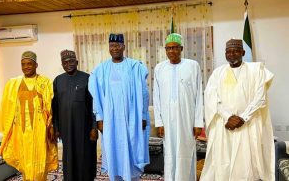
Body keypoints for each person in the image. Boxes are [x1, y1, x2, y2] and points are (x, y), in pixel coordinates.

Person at [200, 39, 275, 181]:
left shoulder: (256, 70)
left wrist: (243, 118)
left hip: (248, 125)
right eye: (228, 51)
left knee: (247, 163)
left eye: (235, 51)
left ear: (243, 52)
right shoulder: (218, 73)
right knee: (223, 163)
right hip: (225, 126)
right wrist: (228, 117)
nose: (232, 54)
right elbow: (212, 98)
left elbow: (260, 98)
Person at [89, 33, 150, 181]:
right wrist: (99, 118)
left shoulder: (135, 67)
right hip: (110, 120)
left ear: (123, 46)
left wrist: (142, 115)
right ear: (109, 48)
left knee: (132, 147)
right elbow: (96, 96)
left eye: (117, 45)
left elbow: (143, 93)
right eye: (112, 46)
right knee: (113, 149)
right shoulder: (100, 70)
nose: (114, 48)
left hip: (132, 118)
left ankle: (132, 177)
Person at [0, 51, 58, 181]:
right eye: (23, 64)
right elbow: (7, 108)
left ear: (36, 65)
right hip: (21, 129)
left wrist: (51, 125)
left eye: (29, 64)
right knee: (25, 160)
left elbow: (50, 106)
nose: (26, 67)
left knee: (40, 158)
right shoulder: (13, 84)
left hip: (39, 128)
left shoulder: (45, 82)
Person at [153, 33, 204, 181]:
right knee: (169, 153)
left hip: (187, 119)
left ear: (181, 48)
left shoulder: (193, 66)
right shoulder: (159, 68)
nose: (171, 51)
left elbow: (198, 96)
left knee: (186, 151)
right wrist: (159, 122)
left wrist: (198, 122)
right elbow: (156, 97)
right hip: (167, 120)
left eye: (175, 48)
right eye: (168, 48)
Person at [52, 50, 98, 181]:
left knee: (85, 158)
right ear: (62, 64)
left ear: (77, 62)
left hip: (84, 129)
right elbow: (54, 107)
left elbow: (94, 105)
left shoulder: (87, 78)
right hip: (66, 129)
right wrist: (56, 128)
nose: (68, 64)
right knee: (69, 157)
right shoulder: (58, 80)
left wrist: (94, 127)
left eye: (71, 61)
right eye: (65, 62)